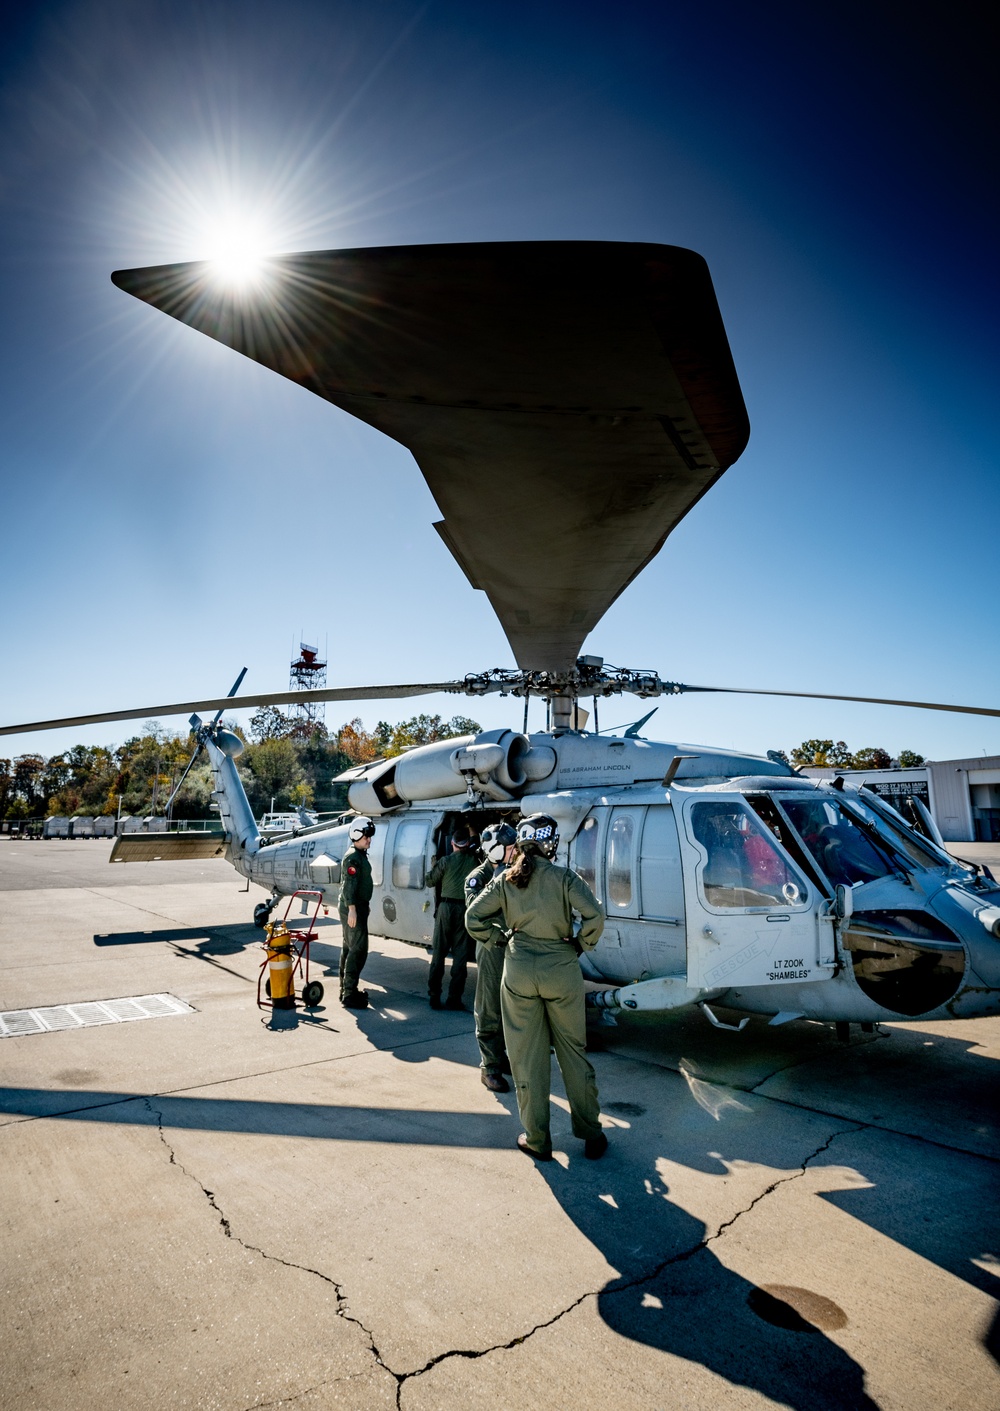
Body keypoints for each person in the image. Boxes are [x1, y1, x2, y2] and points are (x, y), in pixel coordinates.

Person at [466, 814, 608, 1161]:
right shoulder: (564, 877)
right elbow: (595, 916)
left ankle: (537, 1139)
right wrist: (578, 944)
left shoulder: (504, 880)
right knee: (573, 1054)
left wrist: (501, 939)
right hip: (561, 971)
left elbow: (473, 918)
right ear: (551, 843)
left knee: (526, 1060)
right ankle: (590, 1134)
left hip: (518, 974)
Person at [464, 821, 517, 1092]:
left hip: (512, 947)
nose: (514, 852)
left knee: (511, 1006)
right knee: (490, 1009)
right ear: (495, 851)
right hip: (491, 949)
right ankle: (489, 1067)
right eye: (509, 848)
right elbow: (475, 916)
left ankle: (502, 1056)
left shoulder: (513, 872)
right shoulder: (477, 878)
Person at [426, 824, 480, 1010]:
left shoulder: (446, 861)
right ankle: (454, 998)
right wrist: (472, 830)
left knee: (439, 954)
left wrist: (434, 864)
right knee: (460, 957)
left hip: (446, 908)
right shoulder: (474, 861)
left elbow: (429, 880)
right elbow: (474, 843)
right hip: (464, 909)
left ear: (452, 843)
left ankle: (434, 996)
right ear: (466, 844)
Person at [338, 816, 376, 1009]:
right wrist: (353, 909)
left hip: (358, 906)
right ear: (356, 835)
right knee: (357, 950)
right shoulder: (353, 857)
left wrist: (363, 904)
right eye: (366, 837)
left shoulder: (360, 854)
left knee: (348, 947)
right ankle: (349, 993)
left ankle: (345, 989)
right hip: (352, 908)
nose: (369, 840)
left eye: (370, 836)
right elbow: (349, 886)